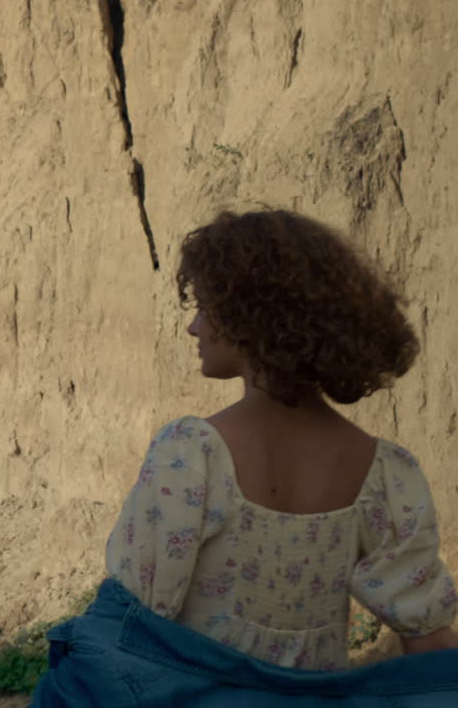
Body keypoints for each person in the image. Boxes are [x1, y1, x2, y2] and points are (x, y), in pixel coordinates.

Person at [33, 210, 458, 706]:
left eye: (206, 307)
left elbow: (130, 621)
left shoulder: (192, 453)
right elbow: (430, 642)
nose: (194, 327)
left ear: (251, 314)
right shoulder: (385, 473)